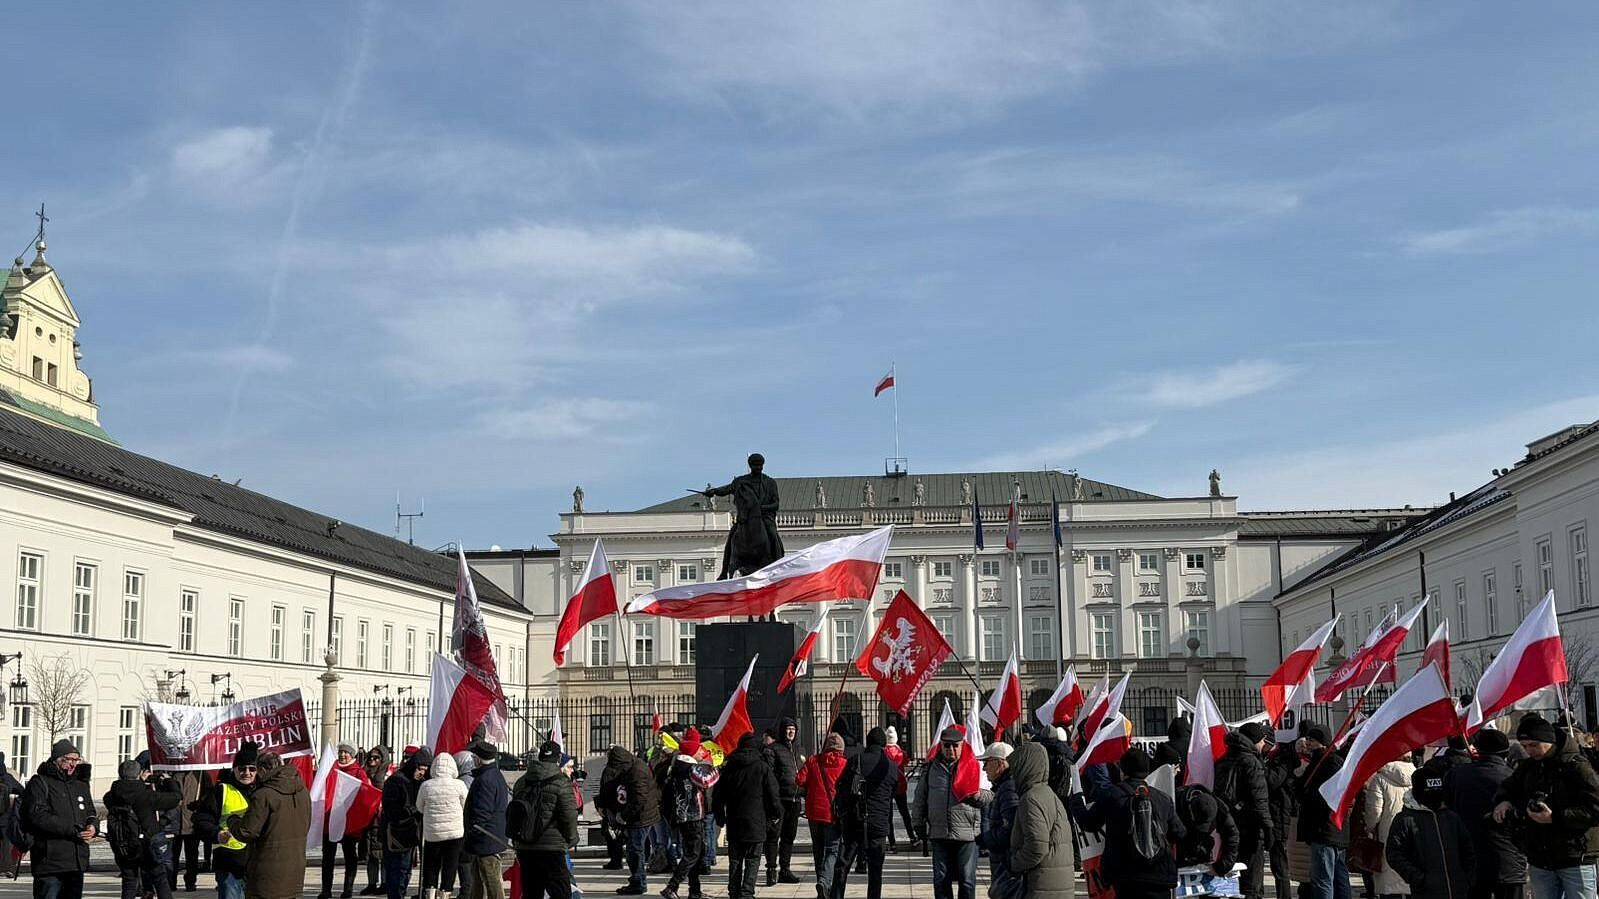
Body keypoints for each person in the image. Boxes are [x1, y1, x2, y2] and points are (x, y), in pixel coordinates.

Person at [1492, 713, 1599, 899]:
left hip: (1575, 856)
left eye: (1534, 745)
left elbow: (1595, 809)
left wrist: (1555, 817)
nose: (1529, 750)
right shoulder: (1528, 767)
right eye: (1525, 746)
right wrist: (1504, 801)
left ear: (1549, 741)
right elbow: (1508, 787)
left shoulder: (1577, 766)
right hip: (1539, 857)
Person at [1069, 747, 1185, 899]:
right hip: (1159, 873)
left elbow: (1088, 822)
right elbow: (1179, 832)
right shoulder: (1163, 798)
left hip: (1126, 875)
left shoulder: (1112, 795)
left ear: (1123, 771)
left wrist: (1077, 799)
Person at [1443, 729, 1526, 899]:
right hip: (1507, 860)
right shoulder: (1513, 777)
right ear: (1506, 752)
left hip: (1470, 857)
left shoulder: (1456, 774)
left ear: (1478, 749)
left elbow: (1446, 808)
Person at [912, 726, 994, 899]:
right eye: (947, 745)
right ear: (941, 746)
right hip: (939, 833)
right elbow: (920, 797)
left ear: (962, 745)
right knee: (941, 880)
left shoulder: (973, 765)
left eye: (955, 745)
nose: (951, 749)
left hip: (967, 834)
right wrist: (918, 823)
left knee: (967, 880)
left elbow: (989, 795)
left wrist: (975, 795)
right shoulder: (931, 768)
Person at [228, 752, 311, 899]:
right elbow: (306, 823)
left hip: (266, 872)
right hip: (295, 868)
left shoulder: (263, 795)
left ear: (262, 770)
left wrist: (232, 820)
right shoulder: (302, 790)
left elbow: (246, 832)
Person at [23, 739, 99, 899]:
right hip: (50, 861)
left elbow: (90, 812)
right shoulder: (40, 782)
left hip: (76, 860)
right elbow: (38, 816)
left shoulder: (80, 785)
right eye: (69, 759)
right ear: (57, 759)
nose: (73, 764)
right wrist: (73, 830)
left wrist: (93, 826)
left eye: (76, 760)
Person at [1386, 768, 1475, 899]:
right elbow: (1394, 853)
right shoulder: (1405, 819)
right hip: (1426, 891)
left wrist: (1467, 878)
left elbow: (1467, 850)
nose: (1435, 795)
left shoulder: (1451, 818)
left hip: (1458, 890)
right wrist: (1418, 878)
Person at [832, 728, 899, 899]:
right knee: (875, 872)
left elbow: (841, 786)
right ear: (884, 744)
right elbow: (894, 792)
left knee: (843, 866)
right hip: (879, 823)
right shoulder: (891, 766)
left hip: (854, 821)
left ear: (867, 742)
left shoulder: (856, 760)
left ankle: (836, 895)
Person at [713, 733, 781, 899]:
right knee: (753, 858)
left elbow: (718, 795)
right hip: (756, 820)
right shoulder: (762, 767)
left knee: (735, 859)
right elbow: (773, 793)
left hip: (734, 820)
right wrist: (775, 813)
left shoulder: (729, 766)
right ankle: (747, 892)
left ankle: (734, 891)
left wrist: (720, 816)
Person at [105, 759, 183, 899]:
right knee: (159, 879)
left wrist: (140, 781)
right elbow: (175, 798)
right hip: (147, 842)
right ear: (139, 773)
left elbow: (122, 794)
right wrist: (168, 781)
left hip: (123, 843)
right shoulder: (146, 795)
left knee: (129, 882)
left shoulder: (111, 795)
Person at [192, 742, 260, 899]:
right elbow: (201, 820)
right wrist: (216, 834)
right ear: (234, 769)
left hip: (258, 863)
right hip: (229, 862)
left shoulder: (264, 792)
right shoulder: (222, 790)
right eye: (242, 768)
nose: (247, 773)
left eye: (252, 769)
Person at [512, 742, 579, 899]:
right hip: (552, 847)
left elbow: (516, 813)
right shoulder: (562, 782)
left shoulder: (522, 781)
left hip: (526, 847)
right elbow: (569, 816)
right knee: (561, 894)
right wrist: (571, 839)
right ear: (558, 759)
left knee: (531, 894)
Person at [1216, 722, 1274, 899]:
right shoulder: (1251, 762)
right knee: (1251, 881)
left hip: (1228, 827)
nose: (1263, 744)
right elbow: (1259, 799)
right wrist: (1268, 827)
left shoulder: (1223, 760)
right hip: (1250, 827)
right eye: (1262, 740)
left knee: (1233, 880)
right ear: (1254, 740)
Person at [658, 730, 718, 899]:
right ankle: (672, 887)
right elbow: (707, 782)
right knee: (693, 854)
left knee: (695, 854)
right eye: (699, 750)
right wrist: (713, 768)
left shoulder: (677, 767)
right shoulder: (690, 769)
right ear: (692, 752)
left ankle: (695, 891)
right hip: (692, 816)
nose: (702, 752)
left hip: (684, 817)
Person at [1009, 743, 1073, 899]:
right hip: (1055, 884)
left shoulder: (1031, 798)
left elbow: (1037, 846)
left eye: (1015, 768)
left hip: (1041, 885)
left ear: (1025, 767)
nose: (1012, 774)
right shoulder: (1048, 793)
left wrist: (1014, 862)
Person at [1295, 723, 1351, 899]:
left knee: (1323, 880)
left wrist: (1306, 794)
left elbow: (1324, 796)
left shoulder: (1329, 762)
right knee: (1337, 878)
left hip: (1325, 829)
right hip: (1330, 830)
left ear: (1322, 742)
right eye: (1307, 739)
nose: (1307, 743)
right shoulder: (1320, 762)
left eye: (1311, 740)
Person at [597, 743, 659, 896]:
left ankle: (638, 882)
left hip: (642, 816)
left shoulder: (637, 771)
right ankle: (637, 880)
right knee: (634, 849)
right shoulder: (632, 766)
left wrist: (623, 816)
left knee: (634, 850)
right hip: (639, 815)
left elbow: (639, 799)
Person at [798, 733, 848, 899]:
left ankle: (821, 881)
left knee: (818, 848)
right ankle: (824, 882)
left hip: (814, 812)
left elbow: (799, 780)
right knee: (832, 850)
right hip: (832, 814)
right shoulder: (844, 764)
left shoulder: (813, 760)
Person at [321, 744, 373, 899]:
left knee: (350, 856)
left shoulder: (359, 772)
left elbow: (365, 792)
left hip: (348, 821)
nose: (342, 755)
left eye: (346, 752)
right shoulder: (331, 770)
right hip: (330, 819)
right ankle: (326, 890)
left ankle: (348, 889)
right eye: (341, 752)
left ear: (352, 755)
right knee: (327, 857)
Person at [1360, 757, 1416, 899]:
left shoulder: (1379, 779)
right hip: (1413, 833)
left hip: (1387, 835)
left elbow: (1374, 813)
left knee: (1390, 882)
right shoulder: (1417, 777)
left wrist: (1369, 828)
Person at [381, 748, 432, 899]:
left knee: (405, 871)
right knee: (397, 871)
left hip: (411, 832)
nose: (421, 773)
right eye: (420, 769)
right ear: (413, 766)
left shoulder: (421, 782)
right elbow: (391, 809)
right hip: (396, 833)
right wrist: (413, 810)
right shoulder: (396, 781)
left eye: (425, 770)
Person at [418, 750, 468, 899]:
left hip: (432, 832)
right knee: (450, 865)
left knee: (431, 865)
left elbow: (420, 807)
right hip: (454, 832)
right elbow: (465, 805)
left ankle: (430, 892)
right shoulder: (459, 784)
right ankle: (445, 893)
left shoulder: (426, 785)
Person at [463, 741, 507, 899]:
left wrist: (473, 833)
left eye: (474, 757)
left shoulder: (485, 779)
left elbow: (482, 813)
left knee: (491, 882)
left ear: (479, 760)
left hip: (485, 839)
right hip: (487, 838)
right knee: (479, 883)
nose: (473, 760)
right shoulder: (493, 774)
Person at [974, 743, 1018, 899]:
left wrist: (986, 839)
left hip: (1007, 862)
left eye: (987, 762)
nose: (984, 768)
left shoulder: (1009, 788)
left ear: (1000, 763)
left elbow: (1011, 829)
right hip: (1003, 860)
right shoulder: (1004, 786)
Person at [764, 719, 803, 885]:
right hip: (779, 800)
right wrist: (772, 799)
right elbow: (769, 777)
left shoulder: (798, 750)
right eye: (788, 729)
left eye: (793, 729)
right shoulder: (773, 750)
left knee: (789, 836)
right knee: (774, 836)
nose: (791, 732)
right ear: (782, 730)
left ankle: (785, 869)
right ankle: (771, 869)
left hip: (795, 799)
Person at [1264, 739, 1301, 899]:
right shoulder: (1278, 759)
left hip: (1279, 816)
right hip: (1277, 814)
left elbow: (1272, 781)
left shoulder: (1284, 762)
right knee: (1278, 862)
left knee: (1280, 863)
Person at [362, 747, 392, 896]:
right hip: (368, 819)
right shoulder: (364, 773)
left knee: (384, 855)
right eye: (370, 757)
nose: (372, 760)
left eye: (376, 758)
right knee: (371, 855)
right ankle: (371, 883)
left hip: (382, 819)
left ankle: (385, 883)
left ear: (383, 759)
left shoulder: (388, 775)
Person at [881, 727, 912, 852]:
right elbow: (906, 761)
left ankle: (892, 842)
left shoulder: (884, 752)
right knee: (904, 812)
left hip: (888, 785)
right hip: (900, 785)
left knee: (889, 816)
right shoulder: (900, 752)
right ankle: (912, 836)